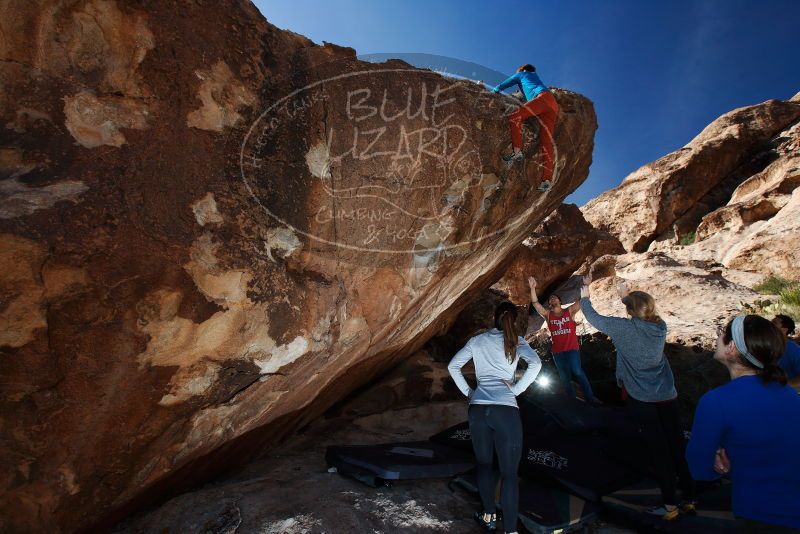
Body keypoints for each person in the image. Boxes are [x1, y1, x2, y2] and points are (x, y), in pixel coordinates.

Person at [579, 278, 695, 519]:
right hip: (666, 394)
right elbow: (641, 312)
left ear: (629, 311)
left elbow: (595, 319)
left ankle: (670, 505)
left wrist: (585, 296)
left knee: (658, 450)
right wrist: (626, 296)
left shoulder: (624, 329)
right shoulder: (660, 327)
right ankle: (690, 497)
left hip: (641, 397)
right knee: (676, 444)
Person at [686, 315, 800, 531]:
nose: (719, 335)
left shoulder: (716, 402)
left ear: (732, 348)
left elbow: (699, 470)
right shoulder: (789, 393)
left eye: (723, 332)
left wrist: (721, 466)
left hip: (760, 514)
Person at [448, 302, 542, 534]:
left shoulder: (478, 340)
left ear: (494, 317)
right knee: (509, 474)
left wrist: (471, 393)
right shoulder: (516, 340)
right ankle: (510, 531)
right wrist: (516, 390)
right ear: (513, 319)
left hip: (479, 409)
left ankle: (489, 515)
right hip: (504, 409)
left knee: (484, 464)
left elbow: (453, 366)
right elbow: (536, 364)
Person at [528, 275, 596, 403]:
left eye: (555, 297)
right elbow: (536, 304)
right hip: (558, 352)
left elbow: (584, 299)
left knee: (577, 371)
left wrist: (587, 285)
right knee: (565, 377)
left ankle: (590, 398)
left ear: (560, 301)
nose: (552, 298)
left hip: (571, 349)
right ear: (549, 304)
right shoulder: (548, 315)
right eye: (550, 299)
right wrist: (533, 288)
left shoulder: (569, 312)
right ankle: (571, 401)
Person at [492, 64, 559, 192]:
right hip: (552, 105)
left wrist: (495, 90)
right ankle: (546, 180)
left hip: (542, 99)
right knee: (546, 143)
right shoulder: (534, 78)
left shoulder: (522, 74)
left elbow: (506, 83)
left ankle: (517, 151)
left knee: (515, 117)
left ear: (522, 70)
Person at [772, 314, 800, 390]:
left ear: (784, 330)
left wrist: (783, 386)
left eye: (774, 323)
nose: (770, 325)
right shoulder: (767, 345)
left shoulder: (794, 350)